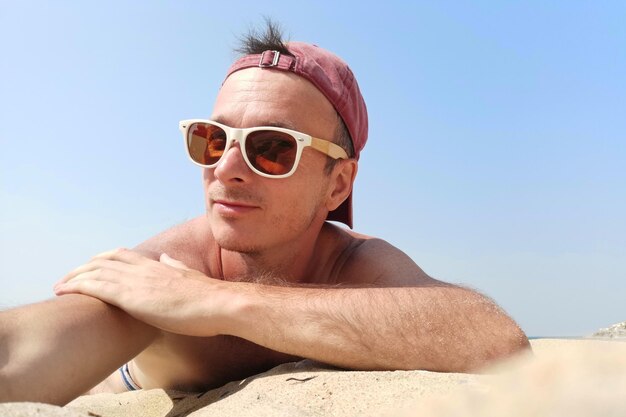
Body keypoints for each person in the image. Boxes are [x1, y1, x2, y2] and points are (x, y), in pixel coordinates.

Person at [0, 22, 529, 405]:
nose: (225, 168)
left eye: (272, 147)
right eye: (212, 139)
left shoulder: (351, 265)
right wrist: (186, 293)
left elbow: (495, 341)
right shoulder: (171, 265)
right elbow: (20, 353)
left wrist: (215, 302)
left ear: (337, 183)